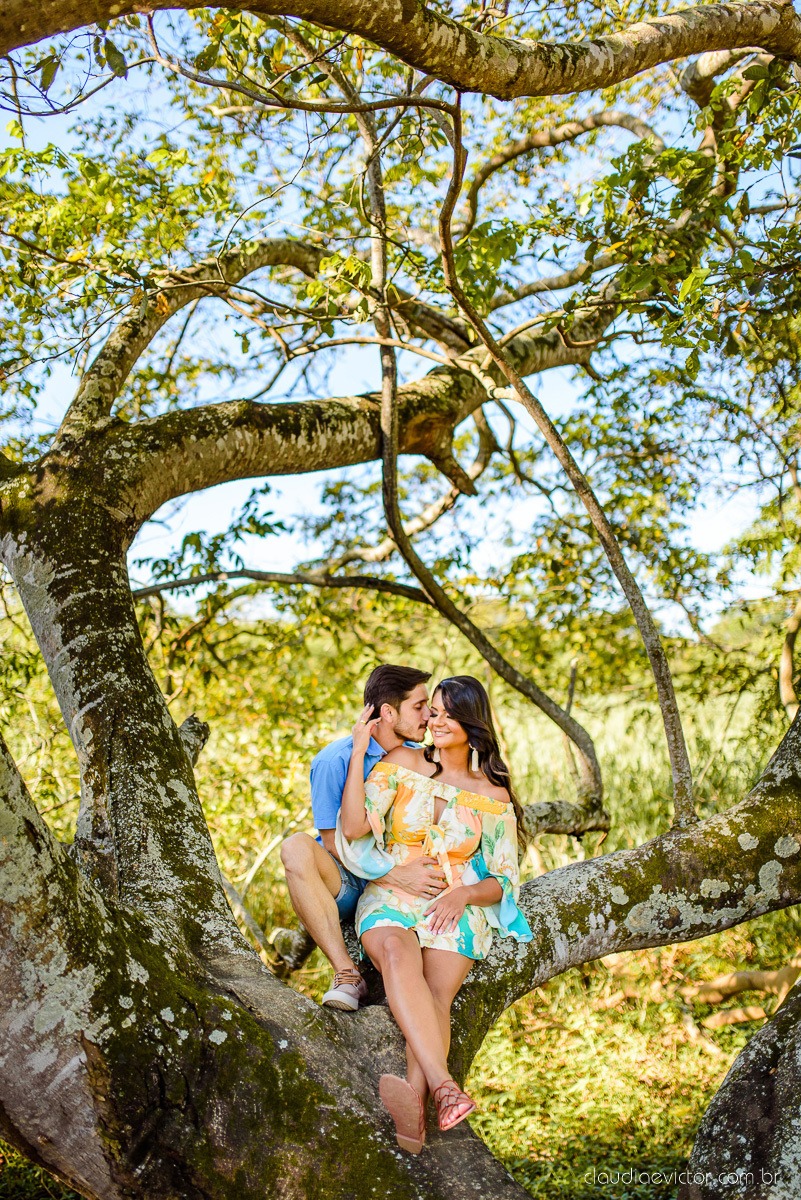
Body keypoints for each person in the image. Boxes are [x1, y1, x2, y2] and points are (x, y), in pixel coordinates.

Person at [336, 675, 532, 1153]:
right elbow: (353, 826)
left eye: (447, 713)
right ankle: (445, 1089)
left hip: (456, 906)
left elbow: (503, 882)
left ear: (472, 723)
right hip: (394, 896)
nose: (435, 721)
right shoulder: (403, 763)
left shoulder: (494, 794)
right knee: (401, 958)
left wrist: (461, 897)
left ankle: (413, 1120)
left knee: (438, 995)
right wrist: (361, 749)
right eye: (433, 711)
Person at [279, 664, 450, 1011]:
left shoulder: (421, 756)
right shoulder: (334, 760)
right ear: (388, 712)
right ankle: (346, 973)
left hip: (407, 882)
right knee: (296, 847)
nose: (429, 715)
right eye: (419, 706)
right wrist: (396, 875)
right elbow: (334, 844)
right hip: (352, 879)